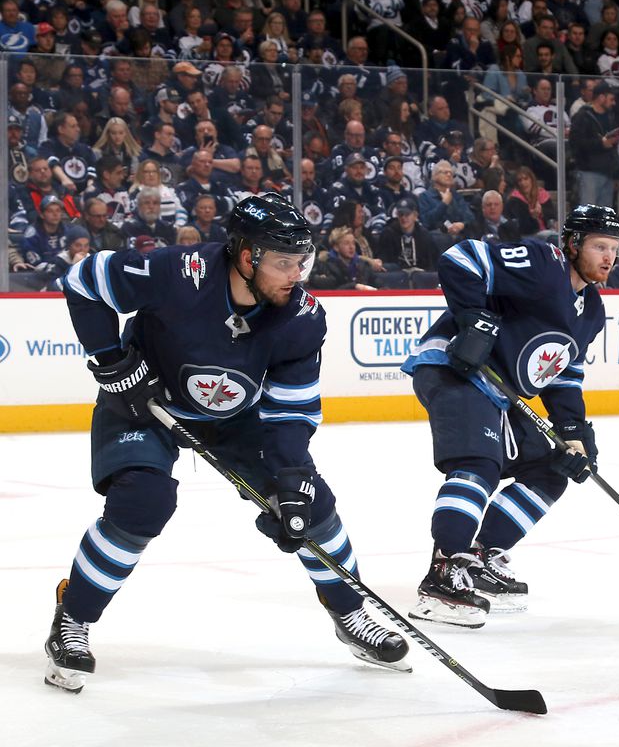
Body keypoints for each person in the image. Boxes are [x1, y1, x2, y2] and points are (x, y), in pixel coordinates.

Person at [44, 193, 410, 694]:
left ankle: (349, 613)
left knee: (311, 506)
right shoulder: (177, 273)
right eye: (283, 263)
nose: (296, 275)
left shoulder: (302, 317)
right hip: (144, 401)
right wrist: (112, 362)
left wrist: (291, 479)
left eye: (301, 262)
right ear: (246, 256)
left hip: (237, 419)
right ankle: (74, 617)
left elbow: (291, 412)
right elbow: (83, 281)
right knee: (143, 501)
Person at [400, 205, 619, 628]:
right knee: (478, 464)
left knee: (551, 468)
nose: (609, 257)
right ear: (573, 243)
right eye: (600, 246)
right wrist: (473, 320)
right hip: (455, 369)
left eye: (615, 248)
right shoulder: (544, 264)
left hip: (499, 391)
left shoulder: (592, 310)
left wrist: (573, 431)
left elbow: (564, 373)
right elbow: (461, 258)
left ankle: (479, 557)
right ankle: (444, 572)